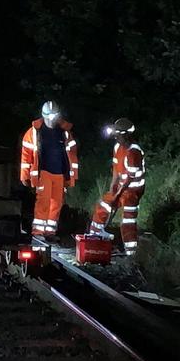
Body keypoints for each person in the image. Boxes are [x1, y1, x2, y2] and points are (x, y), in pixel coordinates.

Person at [19, 100, 79, 241]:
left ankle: (50, 231)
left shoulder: (64, 132)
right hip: (44, 172)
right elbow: (26, 155)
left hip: (59, 173)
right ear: (44, 116)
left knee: (57, 202)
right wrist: (25, 176)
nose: (52, 121)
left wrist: (72, 176)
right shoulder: (34, 132)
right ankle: (38, 231)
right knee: (43, 201)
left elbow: (72, 154)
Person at [89, 118, 145, 256]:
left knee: (128, 221)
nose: (115, 136)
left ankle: (131, 253)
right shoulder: (117, 147)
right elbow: (116, 171)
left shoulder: (134, 151)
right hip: (121, 188)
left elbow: (129, 178)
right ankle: (94, 237)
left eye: (118, 134)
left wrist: (117, 195)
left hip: (133, 190)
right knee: (103, 205)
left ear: (125, 135)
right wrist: (112, 190)